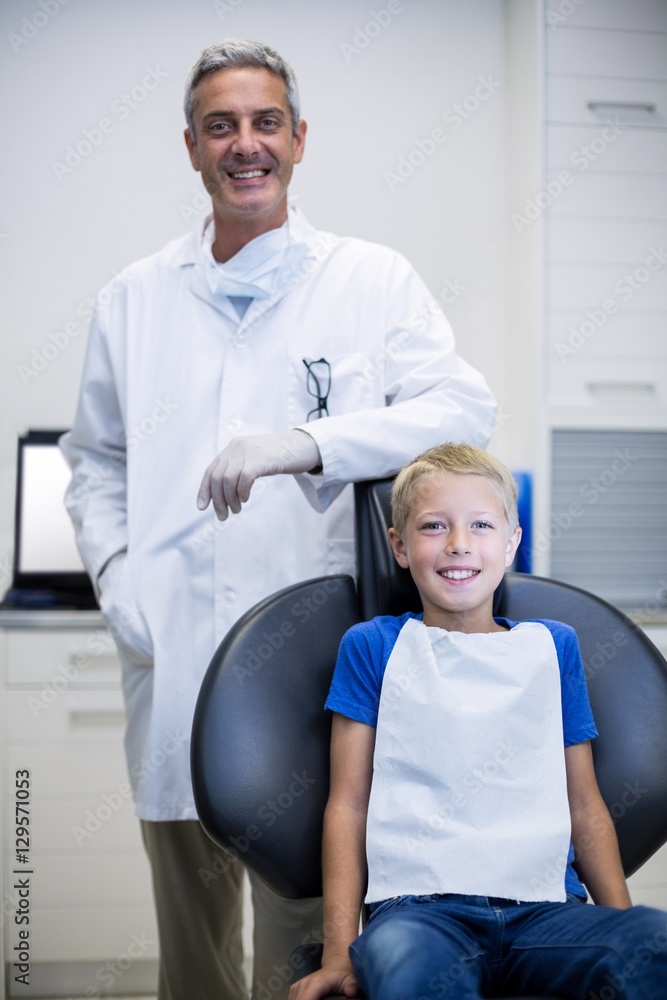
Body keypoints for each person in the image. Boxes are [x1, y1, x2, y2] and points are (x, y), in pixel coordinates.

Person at [60, 38, 497, 1000]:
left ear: (299, 140)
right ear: (191, 148)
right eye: (221, 126)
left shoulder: (370, 280)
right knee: (194, 947)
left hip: (309, 663)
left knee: (306, 943)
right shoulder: (133, 298)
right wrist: (120, 585)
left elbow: (464, 410)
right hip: (171, 651)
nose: (243, 144)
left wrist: (305, 441)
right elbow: (93, 461)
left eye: (265, 124)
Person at [291, 442, 667, 1000]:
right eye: (434, 526)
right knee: (401, 964)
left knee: (652, 941)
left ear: (512, 543)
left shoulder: (552, 648)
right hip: (421, 915)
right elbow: (348, 805)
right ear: (399, 545)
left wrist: (618, 932)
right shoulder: (374, 647)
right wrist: (340, 952)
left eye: (482, 525)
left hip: (546, 915)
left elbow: (584, 804)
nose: (459, 544)